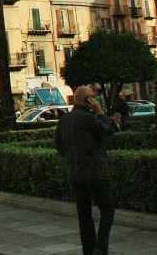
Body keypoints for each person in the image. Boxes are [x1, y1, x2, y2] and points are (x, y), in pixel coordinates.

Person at [55, 86, 118, 255]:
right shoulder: (88, 118)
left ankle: (88, 251)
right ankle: (101, 248)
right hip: (96, 173)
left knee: (84, 216)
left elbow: (60, 147)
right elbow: (108, 130)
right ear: (87, 100)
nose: (95, 100)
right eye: (93, 98)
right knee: (107, 210)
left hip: (76, 174)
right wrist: (100, 112)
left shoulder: (64, 120)